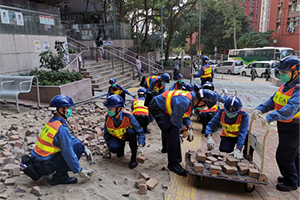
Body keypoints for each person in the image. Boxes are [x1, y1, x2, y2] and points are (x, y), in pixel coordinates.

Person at [252, 56, 299, 191]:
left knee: (284, 155)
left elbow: (290, 109)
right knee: (294, 153)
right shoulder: (287, 85)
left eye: (285, 72)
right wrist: (260, 108)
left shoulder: (298, 89)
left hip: (295, 126)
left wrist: (271, 116)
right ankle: (296, 177)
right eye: (282, 72)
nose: (282, 75)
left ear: (296, 72)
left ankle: (291, 182)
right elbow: (274, 100)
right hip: (286, 124)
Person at [148, 89, 217, 176]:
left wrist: (188, 125)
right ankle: (173, 164)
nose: (204, 107)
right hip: (157, 107)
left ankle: (166, 148)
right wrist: (183, 129)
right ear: (201, 101)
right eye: (205, 105)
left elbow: (185, 114)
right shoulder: (184, 102)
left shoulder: (192, 98)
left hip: (161, 105)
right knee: (173, 131)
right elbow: (175, 120)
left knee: (169, 128)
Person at [28, 95, 93, 186]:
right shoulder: (61, 128)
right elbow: (68, 153)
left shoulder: (53, 122)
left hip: (38, 162)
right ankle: (60, 177)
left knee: (79, 146)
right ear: (60, 110)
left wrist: (84, 147)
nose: (70, 111)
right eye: (67, 108)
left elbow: (68, 138)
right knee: (76, 149)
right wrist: (79, 170)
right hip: (45, 166)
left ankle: (59, 173)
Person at [103, 95, 146, 169]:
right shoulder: (108, 117)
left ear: (118, 109)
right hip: (117, 137)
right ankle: (120, 148)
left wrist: (140, 146)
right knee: (114, 149)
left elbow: (140, 132)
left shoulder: (128, 116)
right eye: (108, 109)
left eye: (110, 109)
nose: (108, 111)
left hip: (128, 136)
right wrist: (107, 145)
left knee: (131, 132)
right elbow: (106, 133)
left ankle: (133, 158)